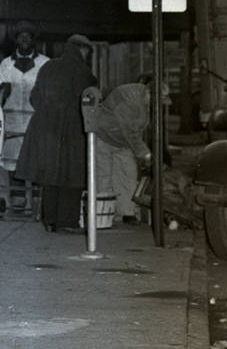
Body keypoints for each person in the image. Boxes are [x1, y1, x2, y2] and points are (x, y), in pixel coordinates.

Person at [14, 34, 97, 232]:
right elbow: (90, 104)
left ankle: (49, 219)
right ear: (81, 49)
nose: (86, 55)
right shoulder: (83, 72)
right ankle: (67, 222)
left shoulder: (48, 67)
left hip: (46, 130)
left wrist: (48, 114)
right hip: (72, 130)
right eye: (86, 51)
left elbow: (35, 98)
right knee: (73, 174)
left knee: (50, 174)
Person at [0, 21, 50, 216]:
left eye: (27, 36)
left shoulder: (44, 63)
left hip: (34, 123)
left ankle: (32, 205)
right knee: (8, 162)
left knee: (33, 162)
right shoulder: (5, 64)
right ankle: (10, 202)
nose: (24, 39)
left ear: (33, 40)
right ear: (15, 40)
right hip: (10, 123)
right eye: (20, 36)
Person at [91, 81, 151, 225]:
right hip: (104, 137)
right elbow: (129, 130)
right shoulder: (131, 100)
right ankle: (104, 214)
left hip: (122, 142)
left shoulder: (141, 98)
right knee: (104, 176)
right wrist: (144, 153)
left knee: (128, 174)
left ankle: (126, 212)